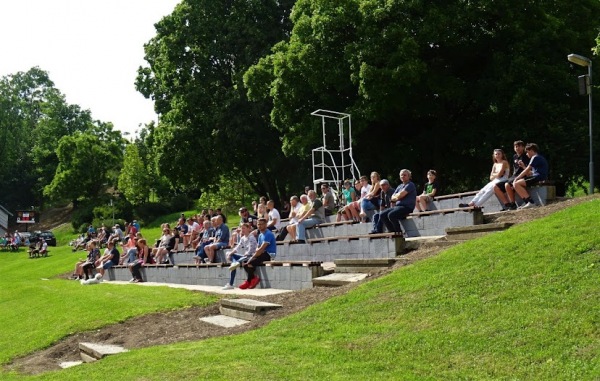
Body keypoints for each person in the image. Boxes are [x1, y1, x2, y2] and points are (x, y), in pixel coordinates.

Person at [370, 169, 417, 234]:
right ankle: (392, 232)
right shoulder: (400, 186)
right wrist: (398, 196)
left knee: (391, 215)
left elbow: (401, 195)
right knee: (382, 214)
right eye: (401, 175)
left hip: (407, 207)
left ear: (409, 176)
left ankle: (398, 232)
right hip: (398, 207)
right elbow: (393, 197)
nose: (403, 176)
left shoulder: (410, 185)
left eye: (404, 175)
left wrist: (398, 196)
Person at [508, 143, 549, 209]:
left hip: (539, 177)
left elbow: (527, 170)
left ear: (532, 151)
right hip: (538, 176)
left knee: (516, 183)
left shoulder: (535, 157)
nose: (526, 154)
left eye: (527, 152)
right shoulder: (538, 157)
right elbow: (532, 172)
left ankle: (530, 202)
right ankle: (527, 202)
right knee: (517, 183)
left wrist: (517, 178)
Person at [239, 218, 276, 290]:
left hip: (269, 254)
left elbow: (262, 249)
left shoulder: (268, 234)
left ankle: (249, 281)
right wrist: (253, 255)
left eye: (262, 224)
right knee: (244, 262)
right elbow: (257, 248)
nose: (260, 226)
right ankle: (254, 278)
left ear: (266, 225)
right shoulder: (260, 235)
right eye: (258, 224)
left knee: (250, 262)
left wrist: (252, 257)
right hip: (261, 253)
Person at [494, 140, 530, 210]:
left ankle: (514, 203)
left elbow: (529, 168)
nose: (517, 148)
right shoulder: (514, 156)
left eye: (519, 146)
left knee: (507, 184)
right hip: (514, 176)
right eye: (516, 146)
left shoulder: (526, 156)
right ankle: (508, 204)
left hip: (522, 176)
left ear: (523, 147)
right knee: (496, 186)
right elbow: (514, 168)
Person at [222, 223, 257, 290]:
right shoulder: (243, 238)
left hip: (251, 257)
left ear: (249, 229)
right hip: (245, 256)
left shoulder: (251, 237)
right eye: (241, 228)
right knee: (229, 253)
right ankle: (235, 263)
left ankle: (231, 284)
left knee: (234, 264)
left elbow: (251, 250)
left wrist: (244, 256)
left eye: (244, 228)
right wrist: (230, 254)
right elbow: (237, 248)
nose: (242, 230)